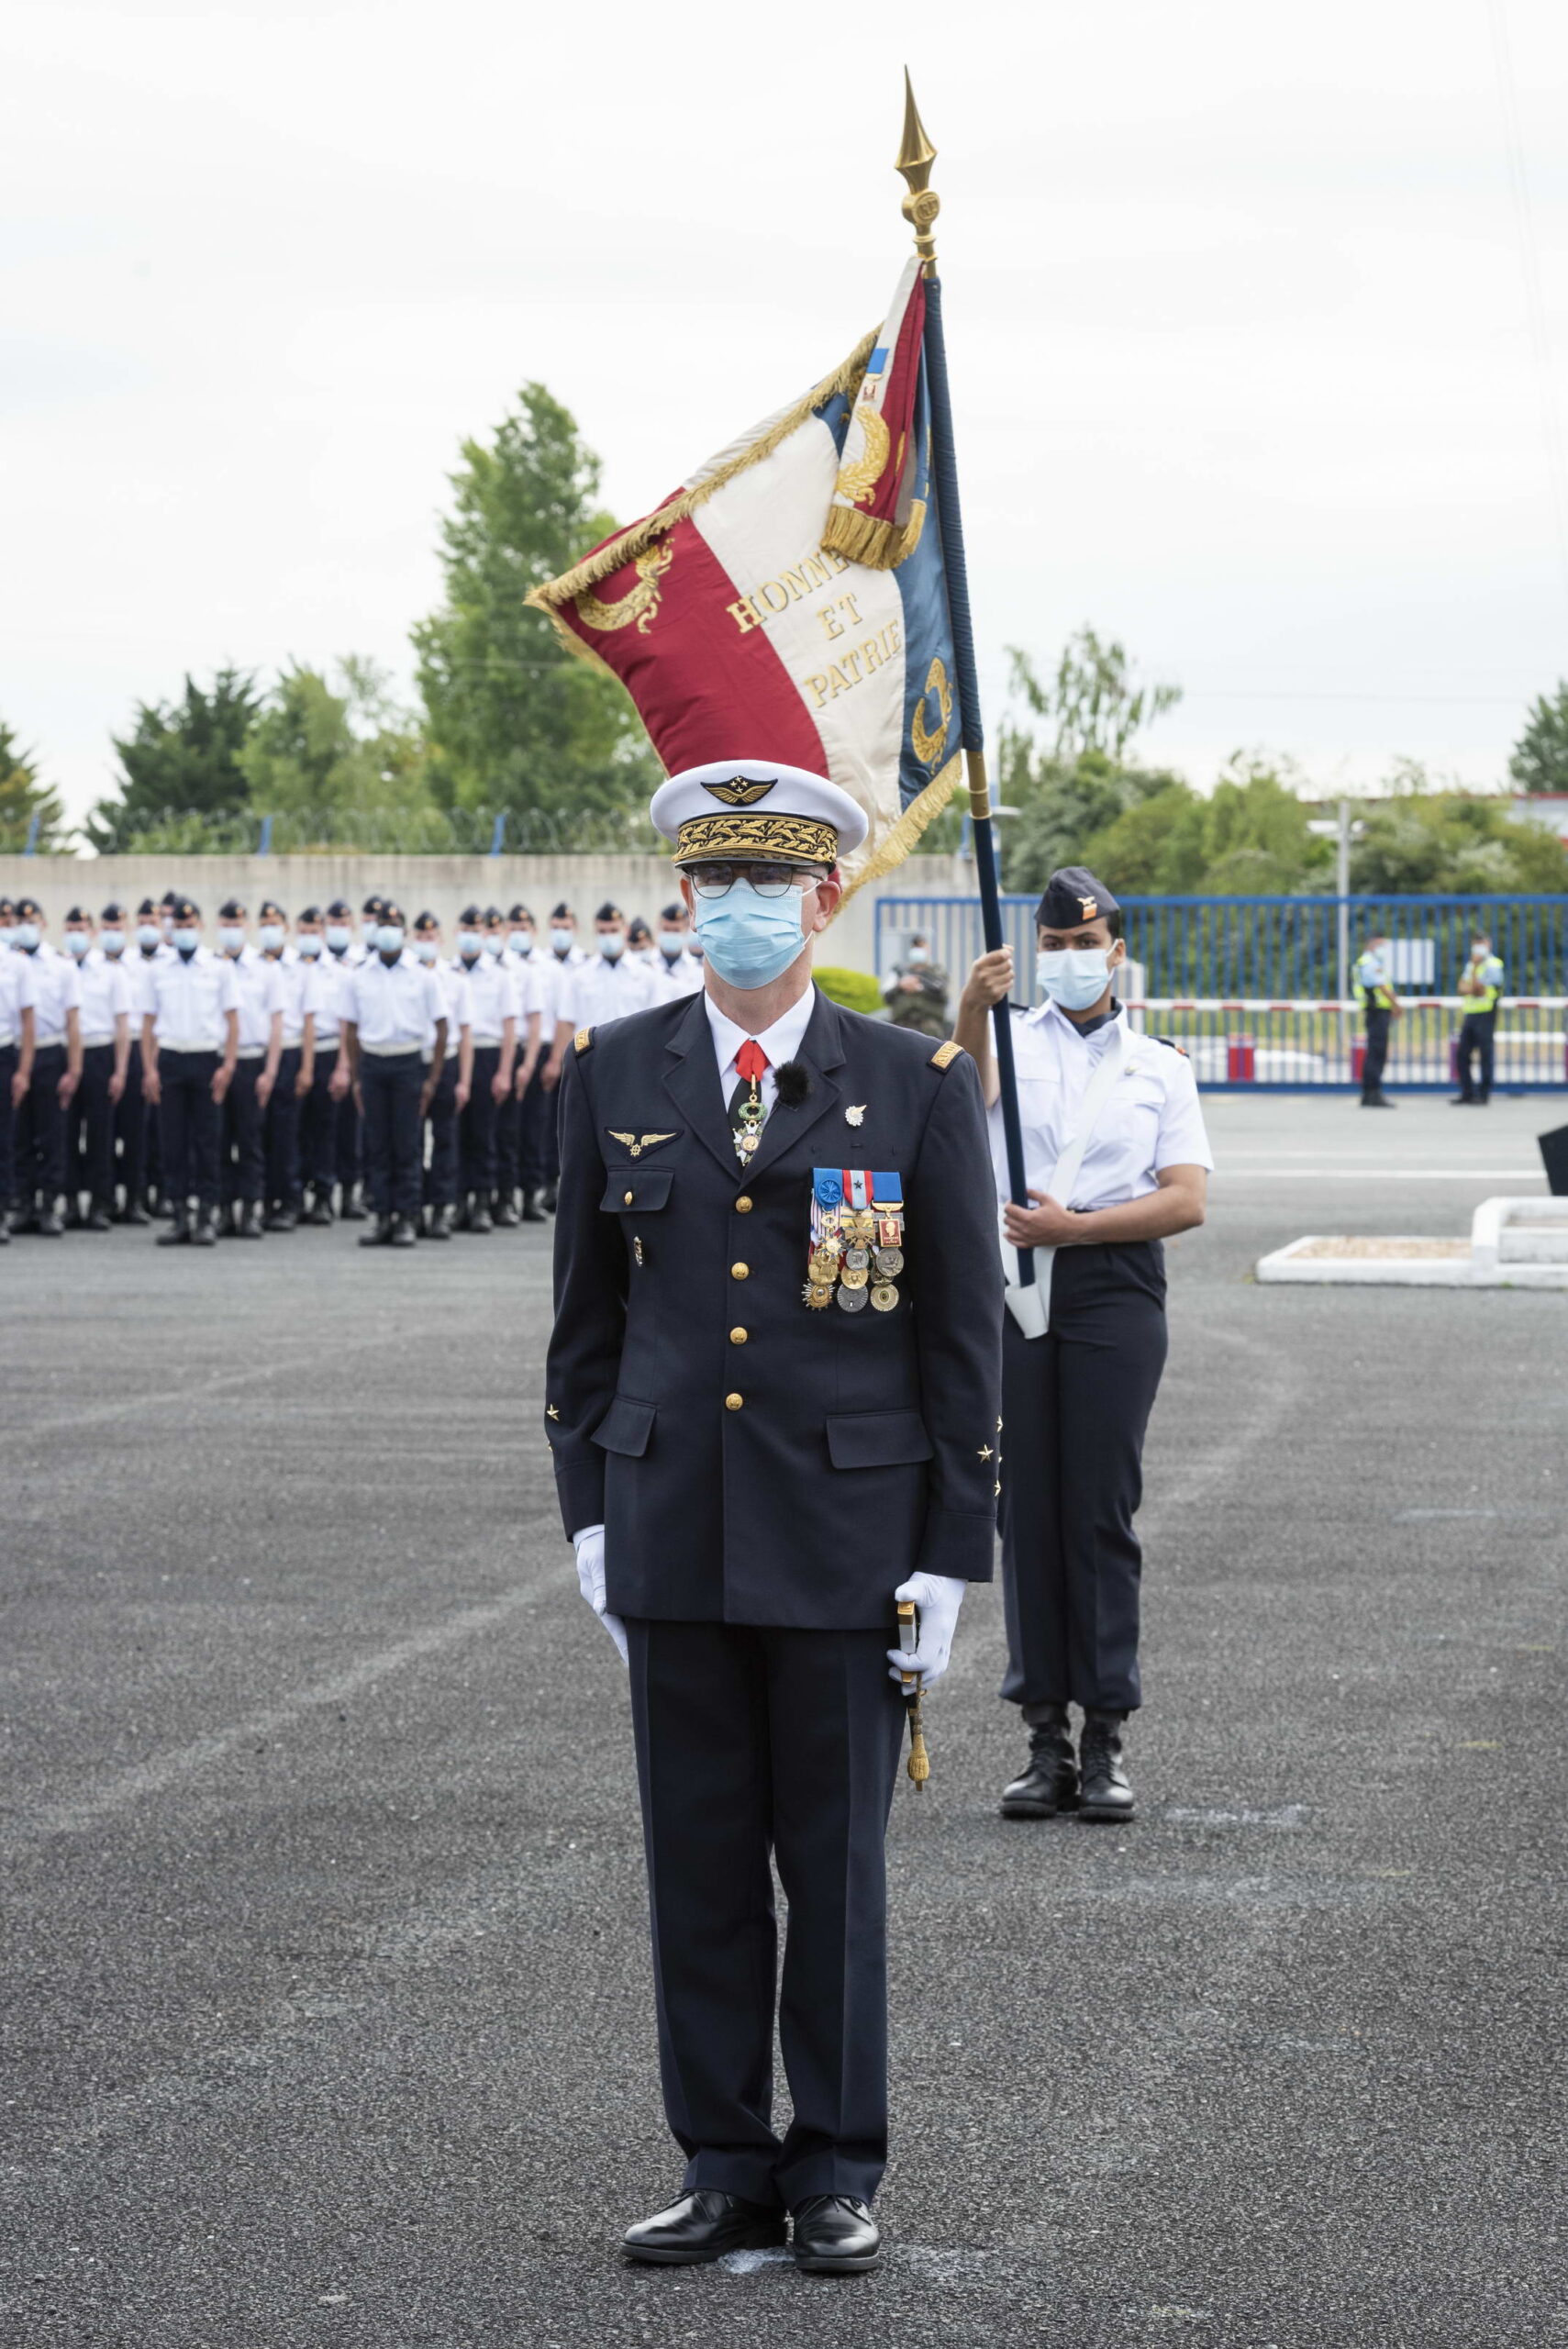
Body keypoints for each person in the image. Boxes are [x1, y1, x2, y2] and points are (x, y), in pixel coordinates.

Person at [547, 758, 1001, 2275]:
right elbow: (583, 1331)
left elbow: (957, 1346)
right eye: (713, 885)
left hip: (846, 1543)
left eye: (769, 886)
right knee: (695, 1863)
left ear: (823, 899)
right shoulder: (613, 1072)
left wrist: (947, 1556)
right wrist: (589, 1521)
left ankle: (833, 2166)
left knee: (836, 1871)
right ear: (683, 899)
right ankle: (723, 2157)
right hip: (669, 1528)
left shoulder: (915, 1086)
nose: (738, 912)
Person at [954, 868, 1210, 1827]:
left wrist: (1080, 1227)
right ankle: (1040, 1738)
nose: (1065, 958)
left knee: (1098, 1508)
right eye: (1049, 946)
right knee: (1022, 1507)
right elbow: (954, 1105)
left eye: (1082, 943)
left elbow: (1184, 1198)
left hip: (1110, 1286)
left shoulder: (1159, 1066)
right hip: (1015, 1288)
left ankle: (1104, 1732)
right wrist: (970, 1009)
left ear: (1115, 950)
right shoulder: (1005, 1045)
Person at [339, 902, 444, 1248]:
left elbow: (442, 1026)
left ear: (403, 931)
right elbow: (351, 1029)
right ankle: (382, 1216)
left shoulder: (421, 974)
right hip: (373, 1064)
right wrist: (355, 1076)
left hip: (407, 1062)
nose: (387, 930)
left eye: (393, 924)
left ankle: (407, 1217)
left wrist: (431, 1078)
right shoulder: (360, 974)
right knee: (377, 1144)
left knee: (407, 1144)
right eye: (382, 924)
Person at [141, 896, 239, 1246]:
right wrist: (149, 1069)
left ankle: (206, 1218)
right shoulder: (159, 968)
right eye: (178, 927)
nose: (184, 932)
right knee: (173, 1144)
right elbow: (149, 1023)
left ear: (200, 927)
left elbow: (232, 1020)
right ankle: (180, 1215)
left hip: (204, 1061)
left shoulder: (218, 967)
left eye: (189, 926)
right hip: (170, 1060)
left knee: (207, 1142)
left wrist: (228, 1065)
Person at [9, 897, 82, 1235]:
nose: (25, 927)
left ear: (43, 923)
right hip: (15, 1053)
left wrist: (74, 1068)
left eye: (31, 920)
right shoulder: (9, 962)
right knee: (19, 1134)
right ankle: (23, 1203)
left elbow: (72, 1020)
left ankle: (49, 1204)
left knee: (53, 1133)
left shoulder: (61, 965)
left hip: (51, 1053)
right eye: (18, 921)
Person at [214, 899, 283, 1238]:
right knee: (219, 1138)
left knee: (251, 1140)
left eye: (237, 924)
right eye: (225, 924)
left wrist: (270, 1071)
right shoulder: (209, 966)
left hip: (253, 1060)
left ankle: (251, 1210)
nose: (231, 931)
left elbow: (276, 1023)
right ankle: (225, 1210)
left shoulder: (265, 967)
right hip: (217, 1061)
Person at [447, 905, 517, 1232]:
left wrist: (504, 1072)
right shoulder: (448, 974)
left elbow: (509, 1028)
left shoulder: (499, 974)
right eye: (466, 930)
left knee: (485, 1134)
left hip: (488, 1057)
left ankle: (483, 1203)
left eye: (477, 931)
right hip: (458, 1058)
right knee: (456, 1134)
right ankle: (458, 1201)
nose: (471, 937)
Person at [61, 906, 131, 1230]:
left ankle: (101, 1204)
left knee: (101, 1133)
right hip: (66, 1055)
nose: (76, 934)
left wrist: (119, 1070)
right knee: (66, 1132)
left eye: (81, 929)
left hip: (100, 1053)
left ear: (92, 933)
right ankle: (72, 1202)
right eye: (70, 928)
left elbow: (122, 1025)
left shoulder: (110, 971)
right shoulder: (58, 968)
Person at [256, 901, 316, 1230]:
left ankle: (290, 1200)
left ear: (286, 927)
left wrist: (307, 1067)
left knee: (287, 1133)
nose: (270, 928)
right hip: (260, 1055)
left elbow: (309, 1021)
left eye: (275, 923)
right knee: (258, 1131)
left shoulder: (301, 966)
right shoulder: (252, 965)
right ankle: (264, 1199)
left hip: (291, 1053)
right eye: (264, 922)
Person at [411, 910, 471, 1238]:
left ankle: (440, 1210)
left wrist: (462, 1079)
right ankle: (414, 1207)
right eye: (419, 937)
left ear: (441, 940)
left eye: (430, 938)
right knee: (412, 1139)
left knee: (445, 1139)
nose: (425, 943)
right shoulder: (404, 975)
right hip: (412, 1063)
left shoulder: (454, 978)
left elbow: (464, 1032)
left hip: (445, 1063)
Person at [319, 899, 367, 1218]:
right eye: (332, 923)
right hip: (317, 1051)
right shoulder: (307, 962)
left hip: (353, 1053)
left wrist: (347, 1064)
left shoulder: (363, 963)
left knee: (352, 1129)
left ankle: (351, 1193)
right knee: (320, 1129)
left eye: (343, 922)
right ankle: (321, 1195)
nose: (338, 928)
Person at [0, 920, 38, 1245]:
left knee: (3, 1139)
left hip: (3, 1053)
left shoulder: (16, 963)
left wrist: (23, 1071)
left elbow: (27, 1020)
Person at [1453, 931, 1506, 1106]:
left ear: (1489, 944)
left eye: (1481, 944)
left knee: (1485, 1054)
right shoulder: (1471, 964)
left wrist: (1475, 970)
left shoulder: (1493, 965)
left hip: (1486, 1013)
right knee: (1462, 1054)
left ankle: (1483, 1094)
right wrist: (1472, 979)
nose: (1478, 948)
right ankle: (1467, 1093)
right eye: (1475, 944)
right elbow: (1461, 988)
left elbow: (1479, 991)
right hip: (1471, 1014)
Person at [1353, 928, 1400, 1108]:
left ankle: (1369, 1094)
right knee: (1376, 1054)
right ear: (1373, 943)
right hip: (1377, 1012)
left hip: (1376, 1012)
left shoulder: (1368, 961)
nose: (1384, 948)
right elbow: (1381, 986)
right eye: (1382, 944)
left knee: (1374, 1053)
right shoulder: (1370, 962)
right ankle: (1373, 1094)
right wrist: (1396, 1004)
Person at [883, 932, 951, 1040]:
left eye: (921, 946)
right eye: (916, 946)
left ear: (927, 948)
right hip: (902, 1026)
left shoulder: (937, 972)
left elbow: (942, 996)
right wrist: (900, 986)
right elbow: (886, 996)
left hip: (930, 1028)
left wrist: (919, 987)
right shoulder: (898, 971)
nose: (918, 950)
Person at [651, 901, 704, 999]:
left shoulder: (698, 971)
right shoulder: (645, 965)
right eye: (666, 929)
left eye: (676, 930)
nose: (671, 935)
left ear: (685, 930)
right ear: (657, 928)